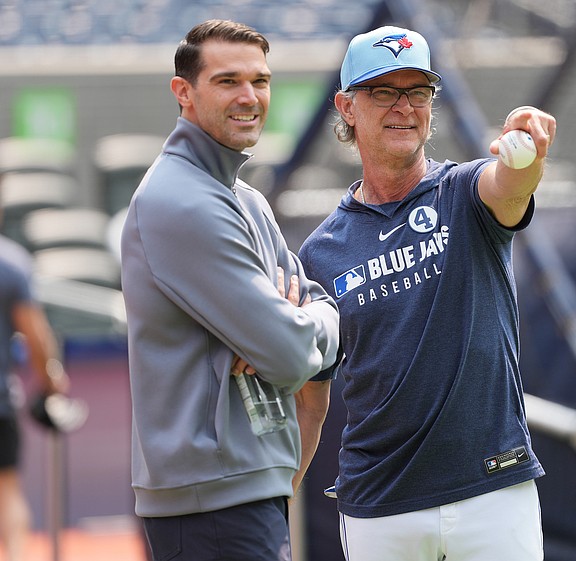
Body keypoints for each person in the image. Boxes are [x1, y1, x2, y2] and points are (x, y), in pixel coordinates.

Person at [298, 26, 556, 560]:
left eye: (417, 91)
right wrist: (281, 495)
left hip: (493, 490)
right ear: (347, 107)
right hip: (380, 505)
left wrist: (527, 155)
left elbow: (508, 188)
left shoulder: (464, 192)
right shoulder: (320, 253)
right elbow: (311, 398)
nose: (404, 107)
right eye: (384, 91)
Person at [120, 20, 339, 561]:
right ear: (184, 93)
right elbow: (291, 356)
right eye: (228, 81)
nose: (250, 97)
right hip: (210, 503)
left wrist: (300, 324)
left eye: (260, 81)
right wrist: (290, 332)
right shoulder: (181, 199)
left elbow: (322, 318)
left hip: (244, 486)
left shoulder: (245, 199)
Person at [0, 175, 71, 561]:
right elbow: (37, 338)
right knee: (7, 491)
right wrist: (53, 382)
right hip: (0, 405)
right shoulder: (11, 264)